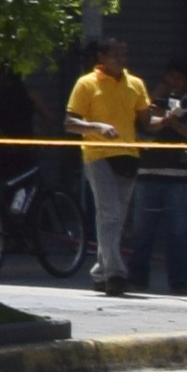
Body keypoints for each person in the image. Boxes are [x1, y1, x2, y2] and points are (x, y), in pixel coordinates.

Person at [65, 30, 150, 294]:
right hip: (98, 155)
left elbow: (147, 121)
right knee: (109, 213)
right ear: (101, 57)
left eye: (124, 54)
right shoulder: (86, 83)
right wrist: (97, 127)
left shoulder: (135, 84)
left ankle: (100, 271)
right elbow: (70, 123)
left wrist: (169, 118)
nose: (121, 59)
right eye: (115, 54)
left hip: (128, 155)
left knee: (117, 218)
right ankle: (116, 274)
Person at [129, 66, 187, 298]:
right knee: (142, 230)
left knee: (179, 233)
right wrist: (156, 101)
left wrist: (174, 123)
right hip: (149, 174)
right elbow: (140, 124)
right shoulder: (150, 104)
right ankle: (137, 278)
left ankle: (179, 282)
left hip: (182, 178)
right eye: (169, 77)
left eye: (178, 78)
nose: (173, 83)